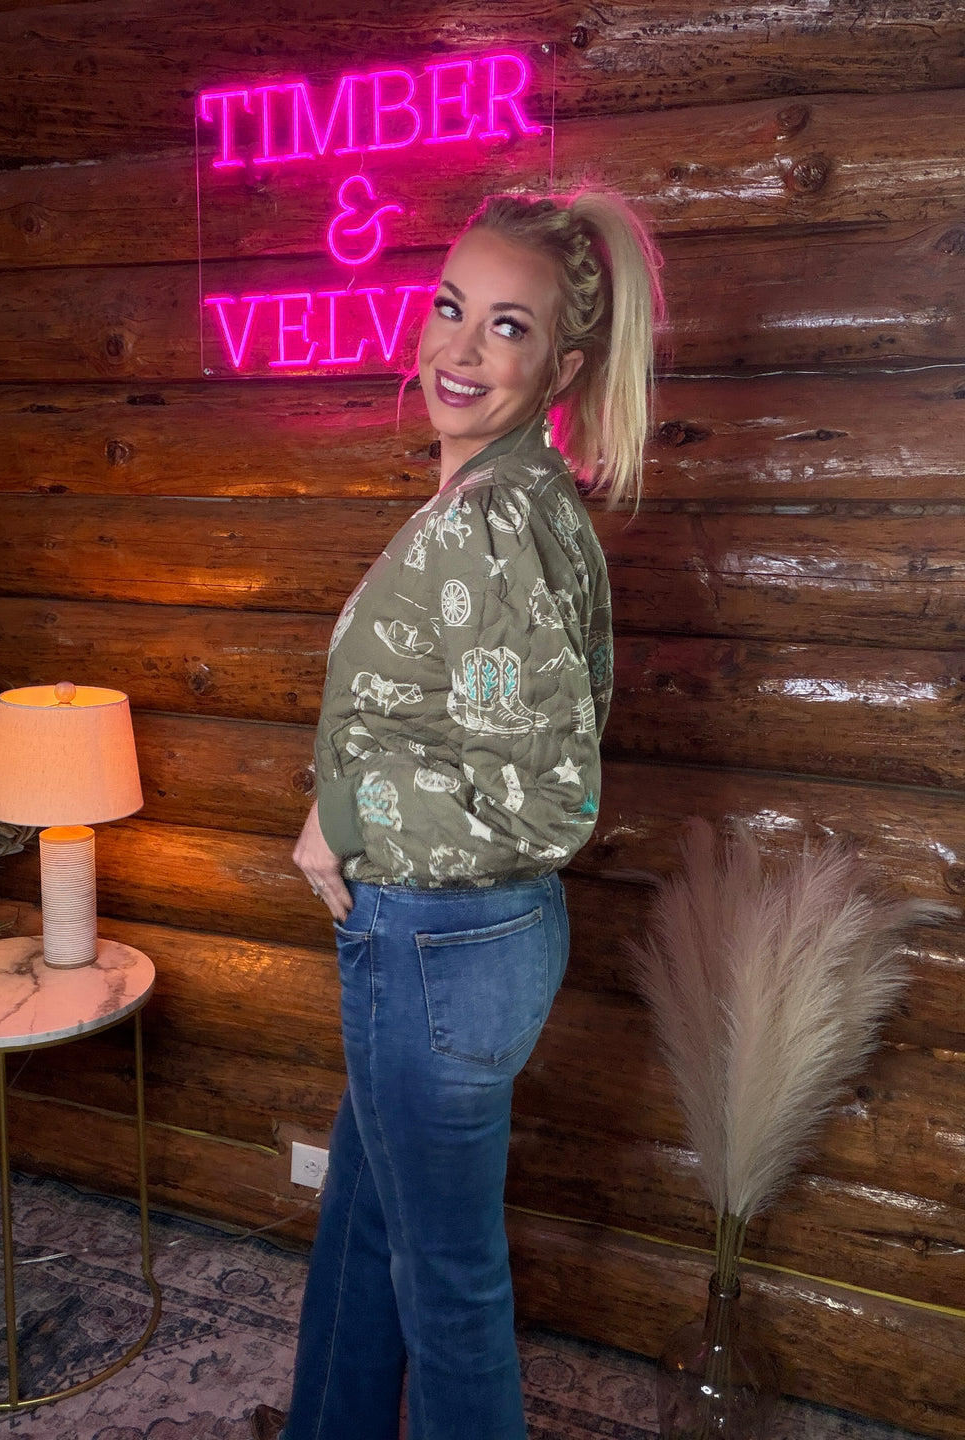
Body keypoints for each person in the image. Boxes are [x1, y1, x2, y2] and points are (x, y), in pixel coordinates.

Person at [252, 190, 664, 1440]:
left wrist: (348, 813)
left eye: (507, 328)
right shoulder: (511, 497)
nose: (460, 351)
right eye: (449, 311)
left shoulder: (493, 518)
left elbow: (548, 800)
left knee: (451, 1294)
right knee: (366, 1223)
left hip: (441, 945)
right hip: (455, 950)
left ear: (564, 366)